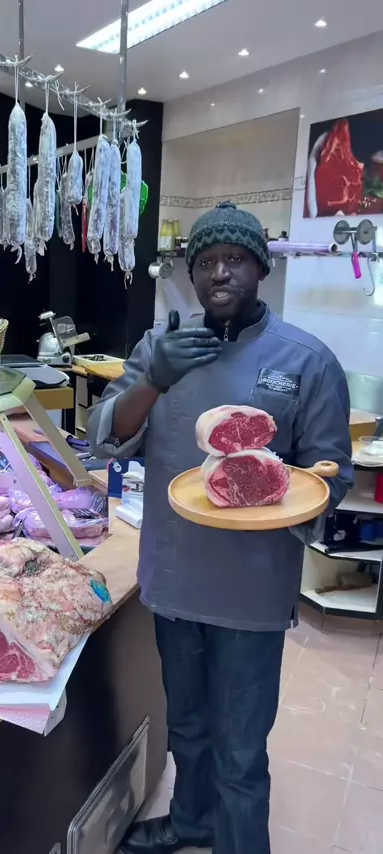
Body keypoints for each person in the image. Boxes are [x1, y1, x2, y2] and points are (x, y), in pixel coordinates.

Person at [87, 201, 353, 854]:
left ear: (260, 268)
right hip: (175, 578)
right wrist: (155, 378)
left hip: (252, 592)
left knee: (240, 750)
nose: (220, 272)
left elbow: (332, 473)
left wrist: (283, 484)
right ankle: (192, 822)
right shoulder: (160, 345)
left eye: (234, 259)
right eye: (205, 261)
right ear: (193, 274)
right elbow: (105, 437)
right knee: (187, 728)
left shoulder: (307, 360)